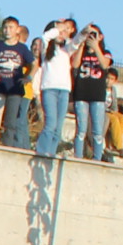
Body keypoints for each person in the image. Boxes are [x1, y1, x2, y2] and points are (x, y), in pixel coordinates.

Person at [0, 17, 33, 149]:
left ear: (17, 30)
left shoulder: (22, 48)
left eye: (11, 27)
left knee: (11, 122)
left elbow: (34, 63)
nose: (7, 30)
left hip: (15, 89)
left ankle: (7, 147)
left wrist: (28, 77)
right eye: (5, 27)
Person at [69, 25, 114, 160]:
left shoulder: (105, 52)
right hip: (81, 94)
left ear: (100, 37)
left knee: (97, 131)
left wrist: (96, 47)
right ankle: (78, 156)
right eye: (89, 34)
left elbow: (105, 64)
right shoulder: (81, 52)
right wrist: (82, 46)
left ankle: (97, 157)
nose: (91, 37)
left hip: (98, 96)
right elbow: (75, 65)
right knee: (81, 130)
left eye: (94, 34)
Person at [33, 17, 74, 157]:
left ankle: (51, 151)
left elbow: (77, 42)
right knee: (50, 123)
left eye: (64, 31)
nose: (62, 33)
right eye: (59, 30)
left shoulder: (66, 49)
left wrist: (85, 31)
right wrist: (59, 27)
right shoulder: (46, 49)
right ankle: (42, 150)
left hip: (64, 91)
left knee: (58, 126)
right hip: (49, 89)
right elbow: (45, 36)